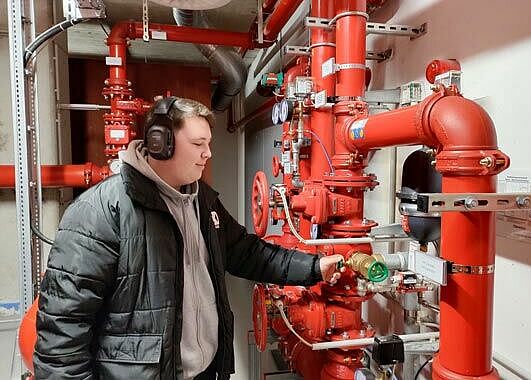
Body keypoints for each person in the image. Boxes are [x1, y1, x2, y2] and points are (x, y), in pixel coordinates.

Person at [33, 97, 343, 380]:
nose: (208, 153)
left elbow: (248, 253)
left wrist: (315, 268)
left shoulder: (201, 200)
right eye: (198, 144)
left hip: (205, 372)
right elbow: (63, 328)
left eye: (208, 143)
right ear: (160, 143)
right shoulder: (100, 211)